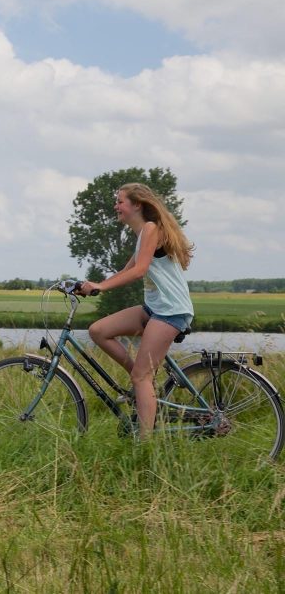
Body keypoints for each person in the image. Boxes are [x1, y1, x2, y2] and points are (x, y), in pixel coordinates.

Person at [78, 183, 194, 439]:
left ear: (137, 204)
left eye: (120, 201)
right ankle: (141, 381)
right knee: (98, 331)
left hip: (171, 312)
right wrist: (89, 287)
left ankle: (145, 445)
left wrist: (101, 286)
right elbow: (126, 271)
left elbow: (139, 270)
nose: (116, 206)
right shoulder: (142, 234)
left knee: (142, 378)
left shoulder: (152, 229)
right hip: (154, 308)